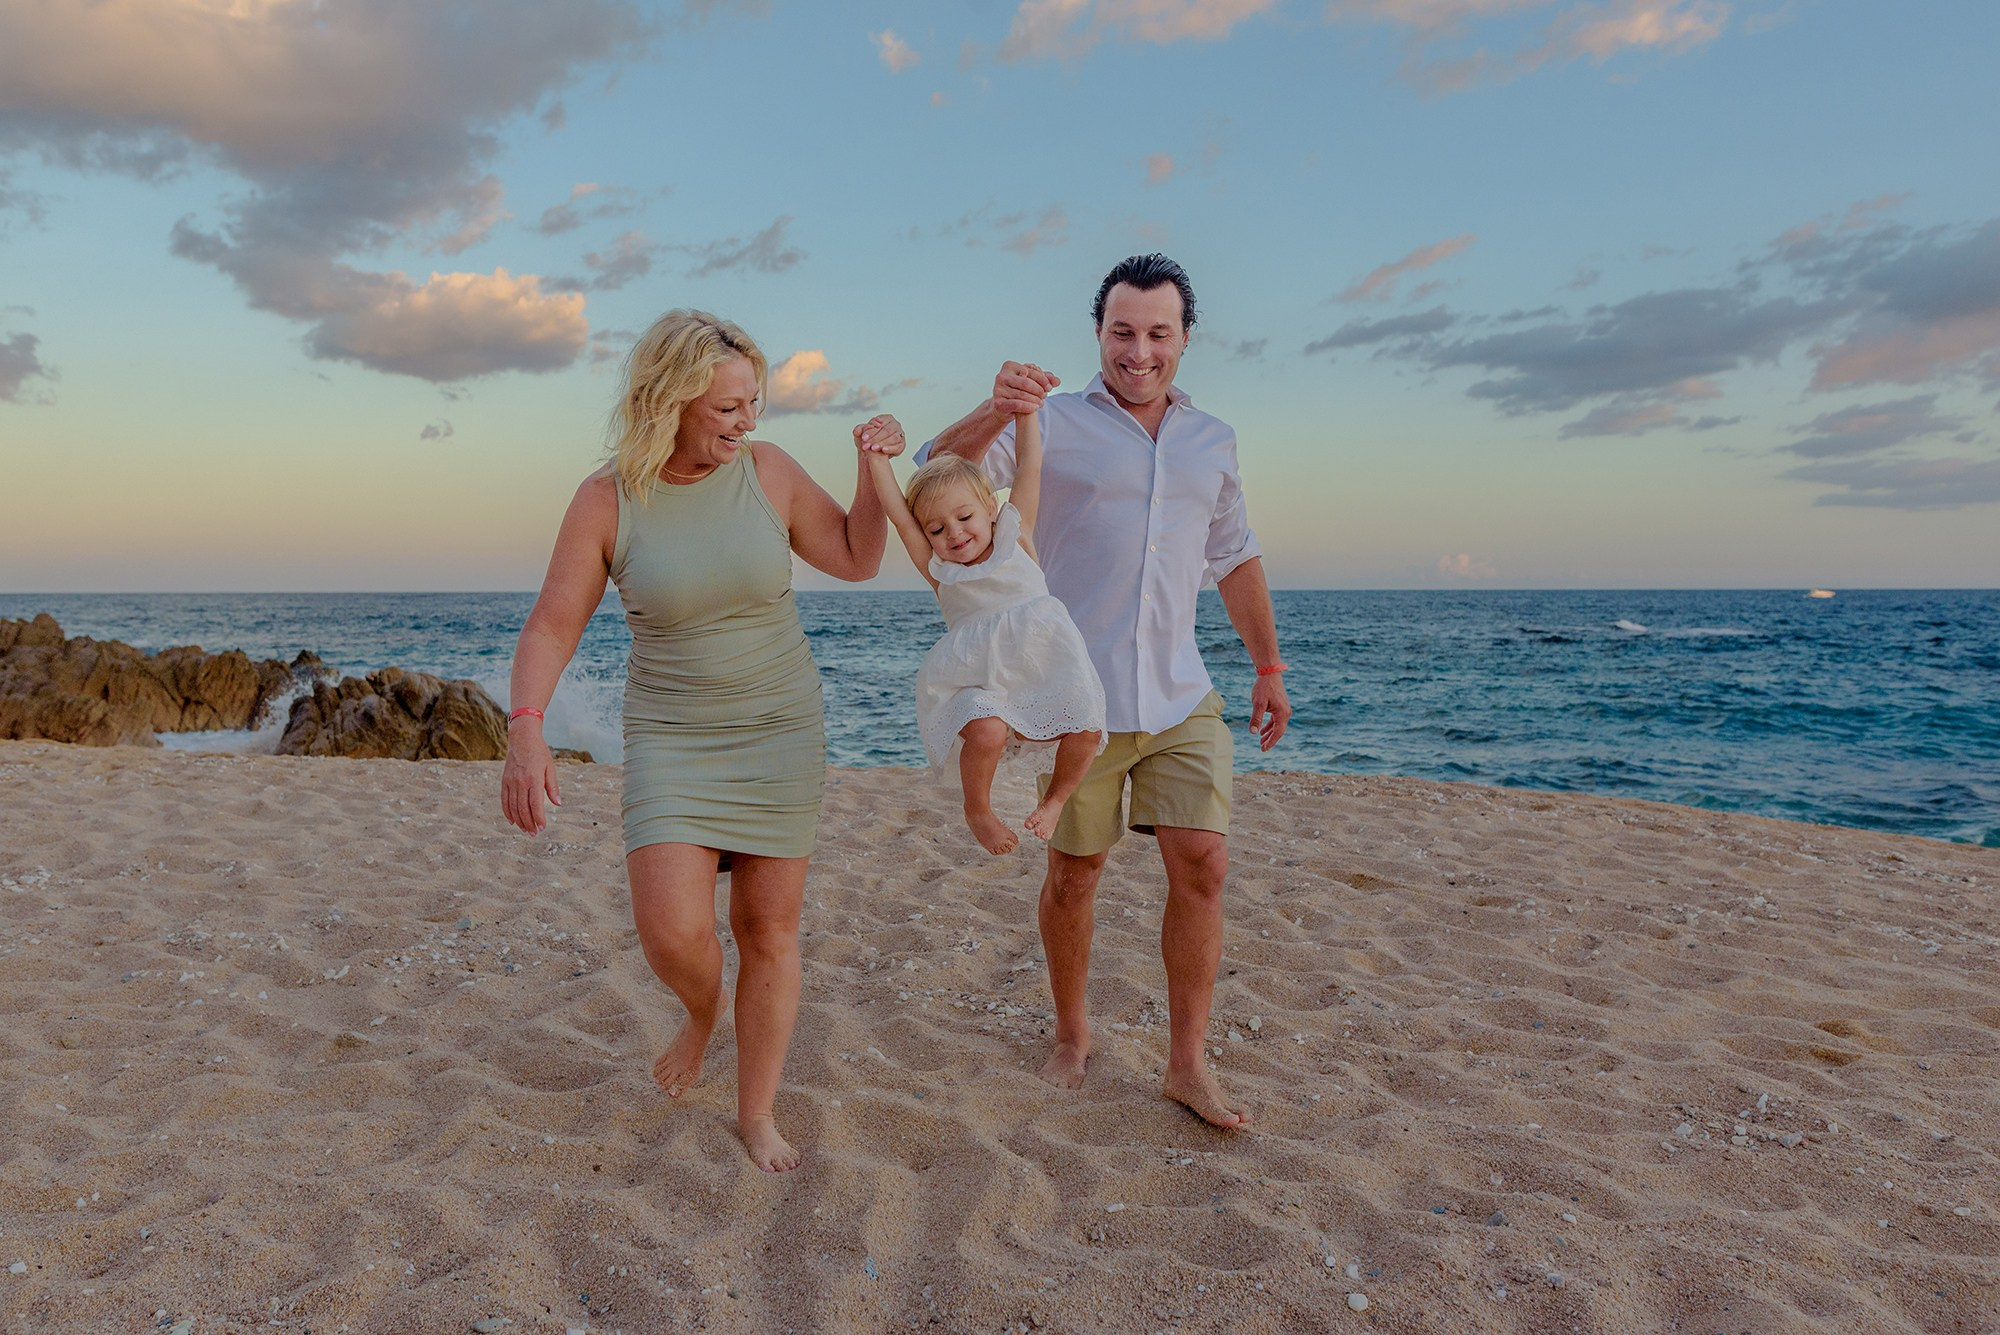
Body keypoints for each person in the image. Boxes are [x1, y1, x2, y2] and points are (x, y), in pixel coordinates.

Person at [500, 309, 893, 1172]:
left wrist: (872, 470)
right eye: (727, 409)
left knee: (768, 929)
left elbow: (861, 556)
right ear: (670, 400)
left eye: (753, 403)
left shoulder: (770, 473)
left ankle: (757, 1112)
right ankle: (701, 1010)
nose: (747, 422)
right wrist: (526, 728)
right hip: (675, 738)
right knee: (672, 933)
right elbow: (551, 626)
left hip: (780, 727)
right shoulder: (607, 499)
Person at [920, 254, 1290, 1129]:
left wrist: (1269, 666)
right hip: (1075, 695)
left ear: (1185, 339)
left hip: (1179, 693)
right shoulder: (1049, 419)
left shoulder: (1213, 441)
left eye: (1158, 333)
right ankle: (1072, 1031)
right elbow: (938, 468)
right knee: (1076, 873)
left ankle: (1187, 1062)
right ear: (1100, 333)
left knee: (1204, 862)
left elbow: (1234, 557)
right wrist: (995, 403)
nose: (1139, 350)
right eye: (1123, 331)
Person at [860, 409, 1105, 855]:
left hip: (1044, 661)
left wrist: (1027, 411)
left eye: (965, 517)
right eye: (936, 528)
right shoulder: (941, 572)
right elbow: (897, 514)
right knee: (987, 730)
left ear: (990, 507)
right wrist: (876, 458)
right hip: (978, 676)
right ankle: (978, 809)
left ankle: (1054, 802)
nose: (953, 533)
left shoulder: (1019, 535)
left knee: (1086, 725)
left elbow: (1030, 466)